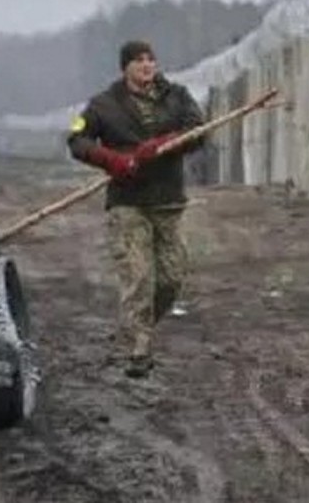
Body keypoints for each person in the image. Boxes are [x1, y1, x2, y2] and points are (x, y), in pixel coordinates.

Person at [67, 40, 205, 378]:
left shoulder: (177, 97)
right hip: (127, 203)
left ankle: (137, 326)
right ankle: (138, 347)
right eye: (139, 61)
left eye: (151, 60)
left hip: (168, 201)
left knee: (171, 278)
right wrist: (110, 159)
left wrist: (164, 144)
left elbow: (198, 131)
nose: (147, 66)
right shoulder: (103, 105)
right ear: (125, 67)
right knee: (138, 277)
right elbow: (76, 138)